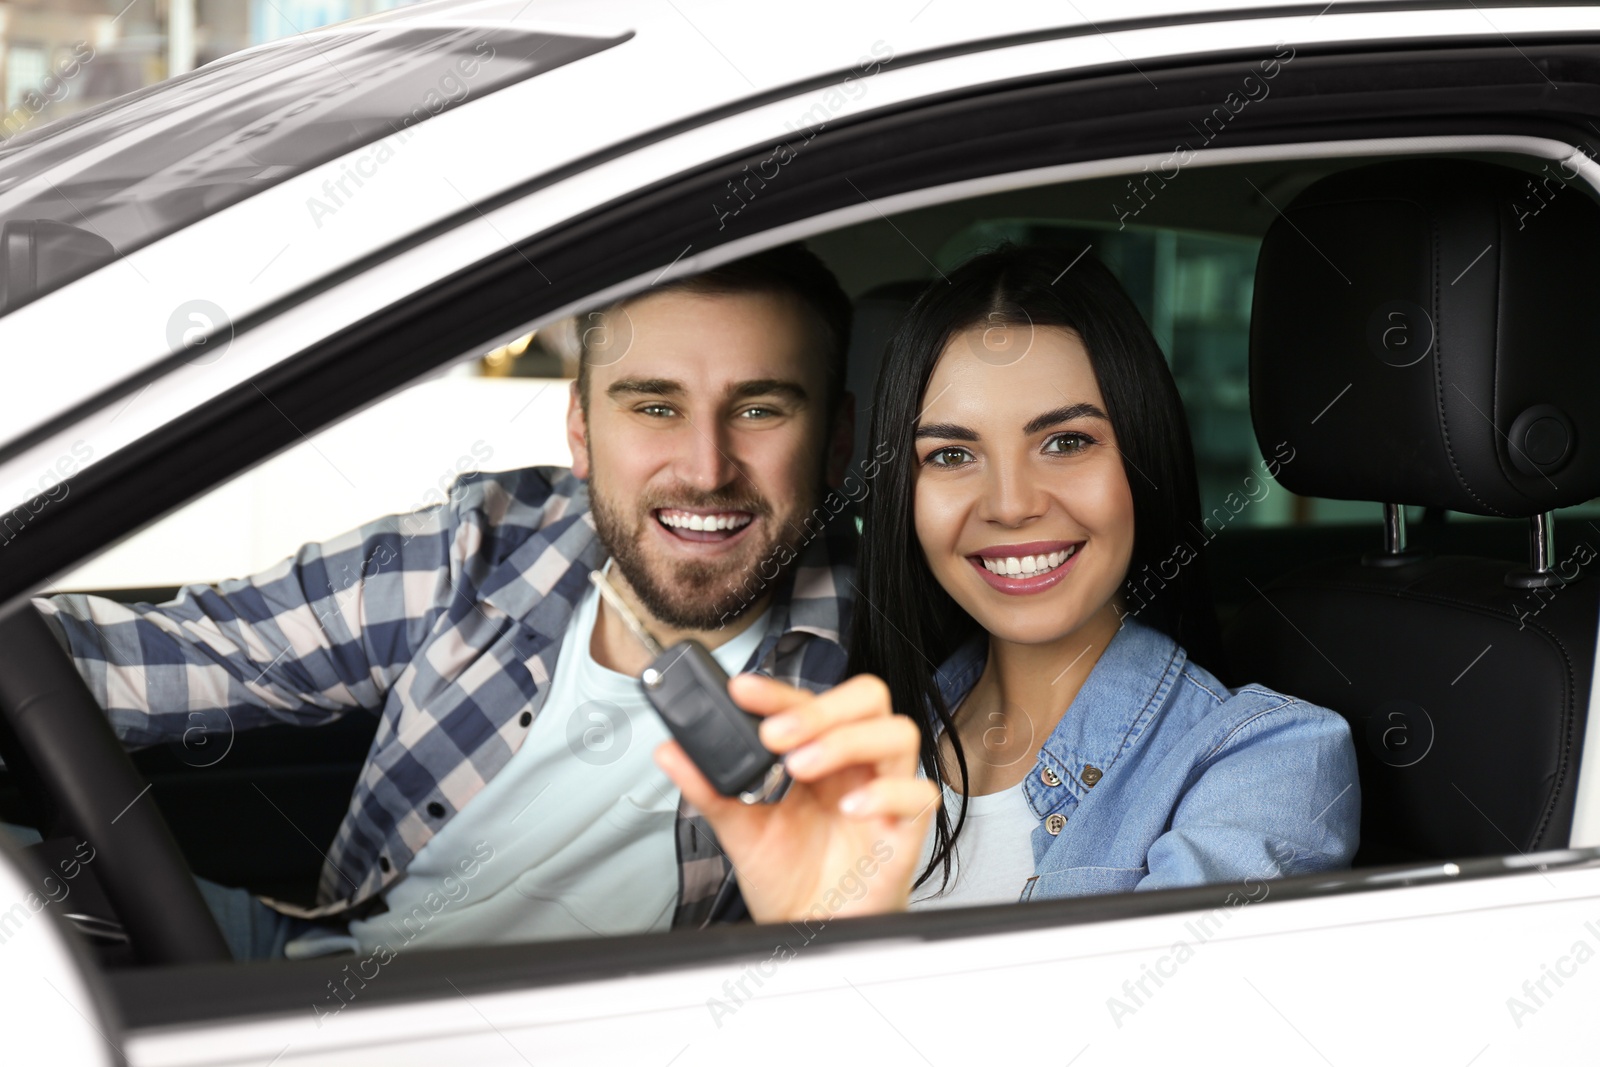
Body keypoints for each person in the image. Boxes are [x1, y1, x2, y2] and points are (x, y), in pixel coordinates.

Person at [28, 244, 932, 959]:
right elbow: (172, 657)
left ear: (839, 438)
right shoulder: (488, 544)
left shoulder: (887, 659)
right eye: (653, 407)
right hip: (314, 963)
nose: (704, 466)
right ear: (580, 430)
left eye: (761, 410)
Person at [664, 243, 1359, 916]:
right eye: (953, 453)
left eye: (1066, 441)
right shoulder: (863, 746)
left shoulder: (1269, 763)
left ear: (1143, 458)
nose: (1009, 503)